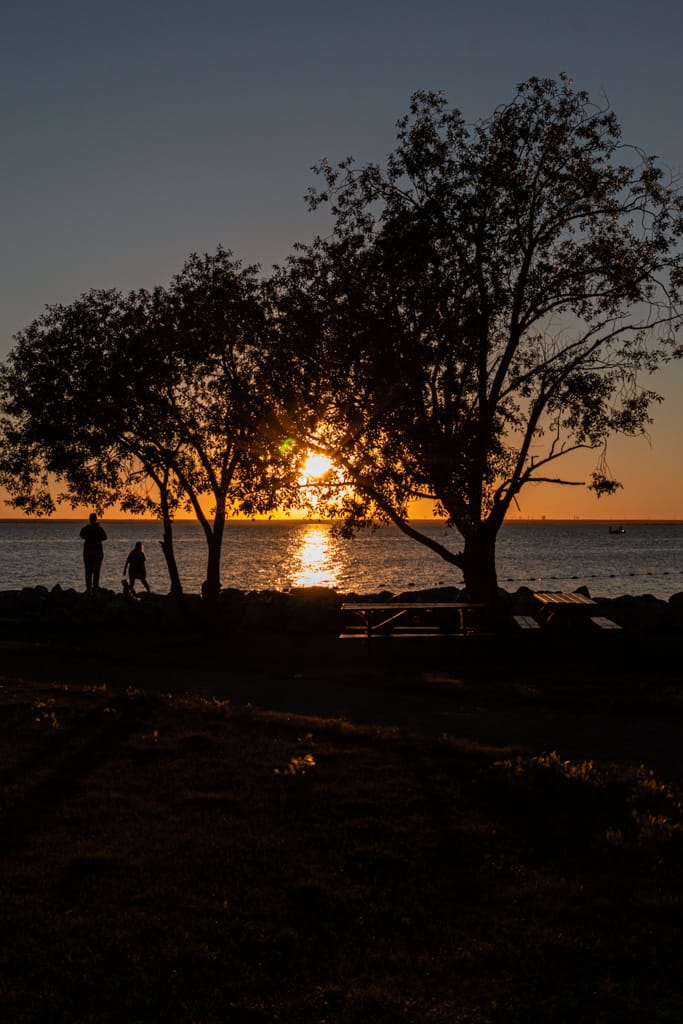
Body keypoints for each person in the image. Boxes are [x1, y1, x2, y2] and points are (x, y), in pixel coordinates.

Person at [80, 512, 107, 596]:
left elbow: (81, 535)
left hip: (88, 552)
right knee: (96, 571)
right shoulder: (99, 529)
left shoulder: (86, 528)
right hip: (97, 552)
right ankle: (94, 589)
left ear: (89, 519)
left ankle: (89, 589)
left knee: (88, 571)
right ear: (96, 519)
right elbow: (104, 537)